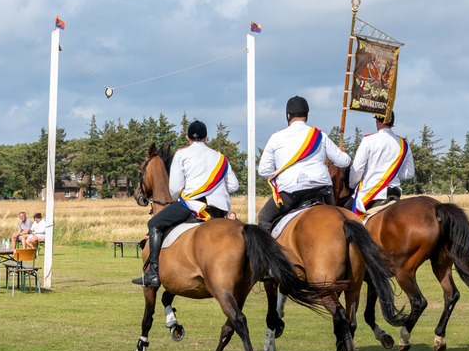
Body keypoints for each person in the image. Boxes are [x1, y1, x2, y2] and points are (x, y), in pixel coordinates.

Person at [133, 120, 239, 287]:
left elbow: (175, 188)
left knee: (154, 223)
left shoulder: (182, 154)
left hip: (194, 207)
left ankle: (153, 273)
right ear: (206, 138)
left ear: (188, 138)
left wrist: (185, 194)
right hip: (219, 211)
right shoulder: (220, 158)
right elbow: (234, 186)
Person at [257, 96, 351, 232]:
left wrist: (282, 176)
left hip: (290, 192)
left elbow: (264, 171)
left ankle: (266, 254)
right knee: (339, 217)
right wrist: (341, 152)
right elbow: (344, 161)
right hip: (322, 190)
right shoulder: (320, 135)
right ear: (307, 115)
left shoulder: (276, 137)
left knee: (264, 218)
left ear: (288, 115)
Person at [347, 110, 415, 214]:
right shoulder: (404, 144)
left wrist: (351, 185)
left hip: (371, 195)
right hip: (395, 194)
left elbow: (357, 169)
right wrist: (393, 174)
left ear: (378, 122)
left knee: (344, 216)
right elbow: (409, 173)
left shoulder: (368, 140)